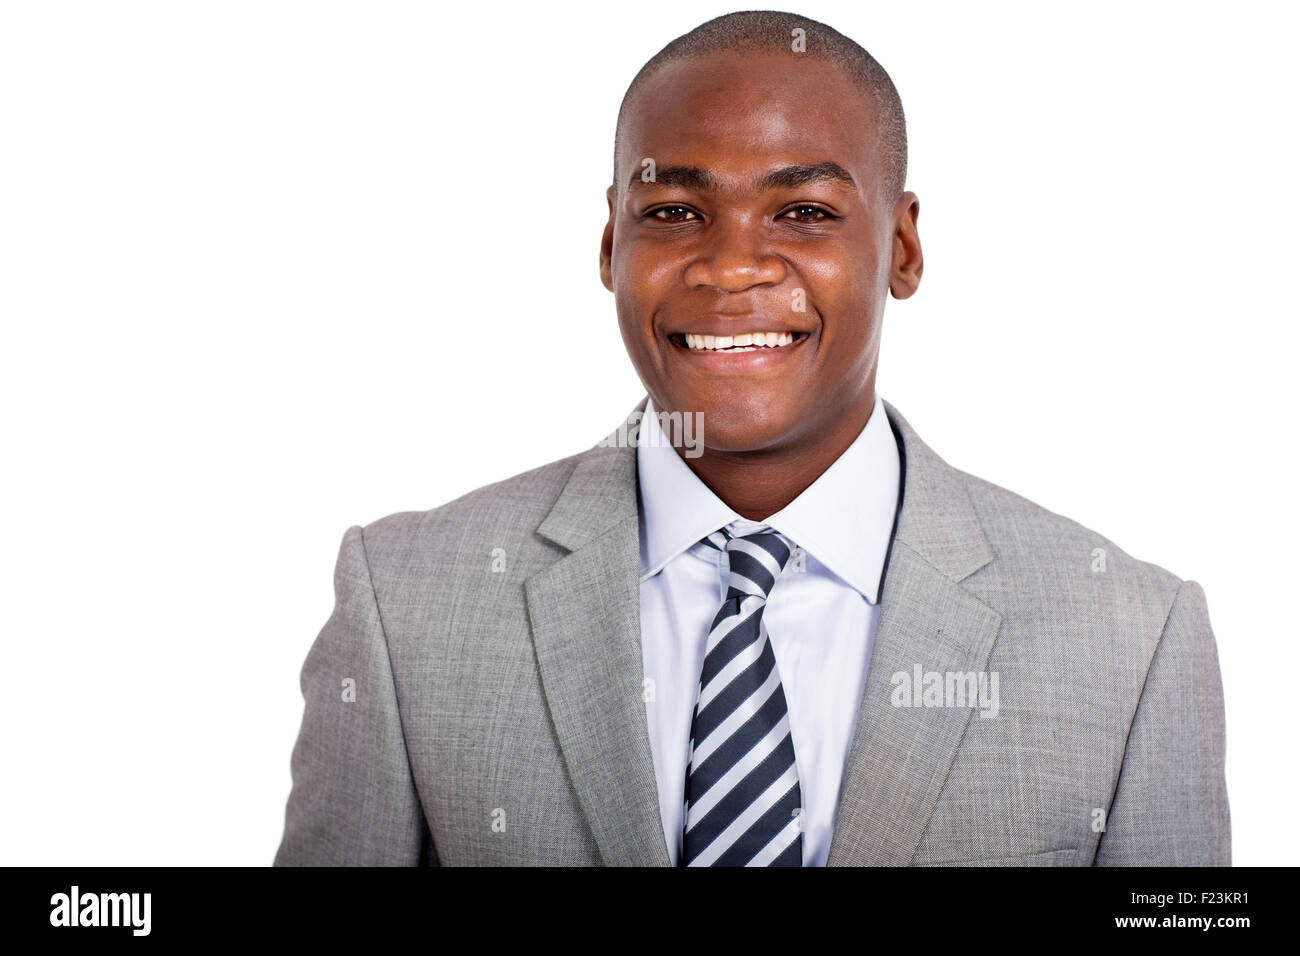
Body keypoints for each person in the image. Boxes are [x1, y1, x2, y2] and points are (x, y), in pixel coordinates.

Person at [274, 10, 1229, 866]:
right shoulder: (402, 603)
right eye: (675, 212)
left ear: (901, 249)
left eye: (804, 211)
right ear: (612, 245)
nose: (731, 268)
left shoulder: (1134, 642)